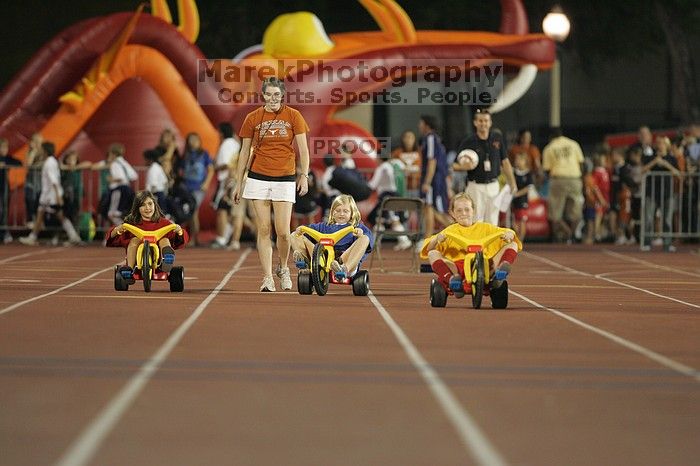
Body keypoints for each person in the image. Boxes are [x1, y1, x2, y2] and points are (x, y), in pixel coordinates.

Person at [232, 76, 310, 292]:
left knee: (283, 232)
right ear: (263, 95)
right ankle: (267, 277)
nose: (273, 98)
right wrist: (238, 183)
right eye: (269, 94)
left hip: (285, 176)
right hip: (258, 176)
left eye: (277, 94)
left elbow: (303, 150)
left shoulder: (294, 115)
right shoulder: (252, 117)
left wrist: (305, 175)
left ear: (282, 95)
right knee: (264, 228)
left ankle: (283, 268)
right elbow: (244, 152)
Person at [420, 192, 521, 297]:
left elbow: (507, 232)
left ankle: (500, 272)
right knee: (432, 253)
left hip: (484, 265)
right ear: (452, 213)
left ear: (473, 211)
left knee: (513, 244)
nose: (463, 213)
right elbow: (428, 247)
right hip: (458, 269)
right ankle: (452, 280)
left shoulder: (485, 228)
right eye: (459, 210)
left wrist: (510, 234)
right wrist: (437, 238)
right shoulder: (449, 231)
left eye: (467, 209)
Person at [105, 190, 189, 278]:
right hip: (137, 261)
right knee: (134, 240)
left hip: (159, 261)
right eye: (143, 205)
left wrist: (179, 231)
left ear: (155, 205)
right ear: (137, 208)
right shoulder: (132, 224)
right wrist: (117, 230)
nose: (147, 208)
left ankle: (167, 258)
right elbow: (111, 238)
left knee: (164, 239)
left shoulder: (163, 223)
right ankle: (129, 268)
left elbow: (180, 239)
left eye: (150, 204)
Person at [456, 108, 517, 225]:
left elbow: (505, 162)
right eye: (480, 121)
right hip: (475, 186)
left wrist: (512, 182)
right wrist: (465, 166)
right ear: (475, 122)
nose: (483, 123)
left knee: (493, 221)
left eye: (485, 120)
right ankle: (476, 244)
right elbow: (455, 165)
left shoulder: (497, 138)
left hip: (493, 184)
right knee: (476, 220)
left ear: (490, 122)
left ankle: (490, 244)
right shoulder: (469, 140)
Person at [290, 194, 373, 279]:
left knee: (365, 238)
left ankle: (343, 270)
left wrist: (360, 234)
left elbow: (368, 239)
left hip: (343, 259)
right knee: (294, 235)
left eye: (345, 211)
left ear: (352, 212)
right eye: (338, 211)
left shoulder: (357, 227)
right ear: (332, 212)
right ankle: (304, 263)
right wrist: (301, 230)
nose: (341, 214)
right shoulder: (324, 226)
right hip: (322, 259)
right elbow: (307, 230)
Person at [19, 142, 83, 246]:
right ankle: (33, 236)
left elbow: (54, 181)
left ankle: (73, 235)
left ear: (45, 151)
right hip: (48, 195)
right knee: (43, 214)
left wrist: (58, 196)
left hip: (51, 196)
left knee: (59, 215)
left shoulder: (49, 163)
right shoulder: (52, 161)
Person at [541, 127, 585, 242]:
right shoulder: (573, 144)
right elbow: (581, 163)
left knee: (555, 212)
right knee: (576, 211)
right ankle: (573, 235)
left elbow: (547, 169)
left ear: (551, 137)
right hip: (575, 178)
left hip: (558, 178)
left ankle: (564, 234)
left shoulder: (549, 148)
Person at [418, 115, 452, 236]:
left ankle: (459, 233)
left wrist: (427, 182)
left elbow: (432, 161)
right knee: (431, 208)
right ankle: (428, 239)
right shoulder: (435, 139)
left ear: (427, 125)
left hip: (434, 181)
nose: (419, 126)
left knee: (432, 209)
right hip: (437, 179)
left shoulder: (430, 138)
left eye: (421, 123)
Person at [211, 122, 243, 249]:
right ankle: (228, 236)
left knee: (222, 209)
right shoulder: (235, 144)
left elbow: (227, 164)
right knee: (233, 211)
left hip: (227, 180)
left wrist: (215, 166)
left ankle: (222, 237)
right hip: (236, 180)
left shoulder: (226, 144)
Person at [182, 132, 214, 246]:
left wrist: (206, 183)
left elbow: (211, 169)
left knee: (193, 211)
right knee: (189, 212)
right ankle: (192, 237)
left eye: (195, 140)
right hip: (187, 187)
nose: (193, 142)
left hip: (198, 188)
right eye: (190, 140)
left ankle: (195, 238)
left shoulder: (204, 154)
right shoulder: (186, 154)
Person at [0, 138, 23, 243]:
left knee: (5, 210)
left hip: (4, 188)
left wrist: (6, 165)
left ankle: (3, 232)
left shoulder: (8, 158)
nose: (4, 149)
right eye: (2, 147)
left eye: (6, 147)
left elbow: (19, 163)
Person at [511, 152, 535, 241]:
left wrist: (517, 194)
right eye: (517, 160)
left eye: (520, 160)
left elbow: (528, 188)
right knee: (513, 220)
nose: (518, 162)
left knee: (522, 220)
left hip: (522, 200)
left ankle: (521, 239)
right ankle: (516, 238)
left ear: (525, 161)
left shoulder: (528, 174)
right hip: (513, 200)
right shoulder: (513, 172)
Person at [391, 130, 421, 194]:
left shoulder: (420, 153)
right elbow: (391, 164)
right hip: (401, 187)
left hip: (416, 186)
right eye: (406, 137)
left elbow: (421, 167)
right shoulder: (397, 153)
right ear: (402, 139)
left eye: (411, 137)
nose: (408, 140)